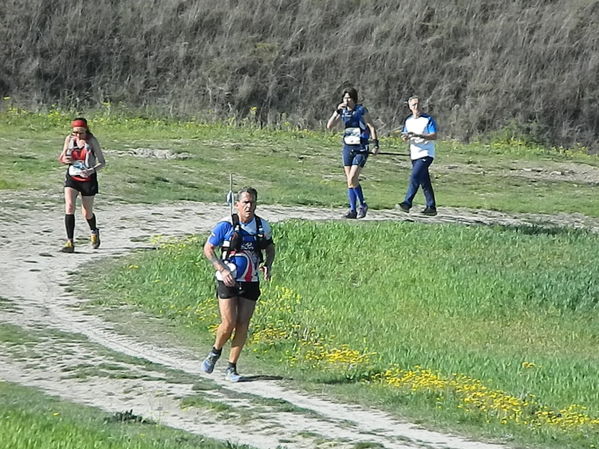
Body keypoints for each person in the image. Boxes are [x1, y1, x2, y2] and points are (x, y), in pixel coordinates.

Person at [201, 187, 276, 382]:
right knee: (229, 323)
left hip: (250, 280)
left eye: (252, 202)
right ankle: (215, 351)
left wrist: (268, 264)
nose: (249, 206)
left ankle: (231, 367)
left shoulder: (262, 226)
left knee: (243, 324)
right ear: (237, 204)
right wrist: (221, 269)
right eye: (245, 202)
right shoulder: (225, 225)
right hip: (227, 280)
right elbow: (209, 249)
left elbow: (270, 247)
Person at [326, 87, 379, 219]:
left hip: (361, 148)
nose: (347, 100)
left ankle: (363, 205)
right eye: (345, 98)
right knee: (349, 181)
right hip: (348, 147)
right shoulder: (342, 111)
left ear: (354, 99)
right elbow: (329, 125)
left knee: (353, 178)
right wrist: (336, 111)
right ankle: (352, 209)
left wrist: (376, 144)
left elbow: (371, 126)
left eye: (349, 97)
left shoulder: (361, 110)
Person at [57, 118, 106, 252]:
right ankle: (70, 242)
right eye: (75, 132)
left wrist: (91, 170)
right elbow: (61, 157)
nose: (78, 136)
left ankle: (94, 231)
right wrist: (64, 159)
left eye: (81, 133)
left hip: (88, 179)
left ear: (86, 130)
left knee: (87, 212)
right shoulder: (69, 139)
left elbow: (102, 162)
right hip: (72, 177)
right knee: (69, 207)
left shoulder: (92, 141)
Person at [398, 96, 438, 216]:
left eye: (419, 104)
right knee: (424, 181)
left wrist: (420, 135)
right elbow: (405, 135)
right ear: (410, 107)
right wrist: (405, 137)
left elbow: (434, 135)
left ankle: (407, 203)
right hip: (414, 154)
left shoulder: (428, 119)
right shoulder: (408, 121)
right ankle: (431, 207)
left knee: (415, 176)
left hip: (426, 153)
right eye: (414, 105)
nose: (417, 107)